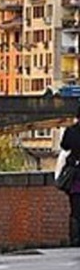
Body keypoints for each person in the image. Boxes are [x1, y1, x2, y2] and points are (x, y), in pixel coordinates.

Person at [59, 105, 80, 247]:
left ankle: (75, 238)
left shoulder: (71, 131)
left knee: (76, 210)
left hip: (76, 176)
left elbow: (64, 146)